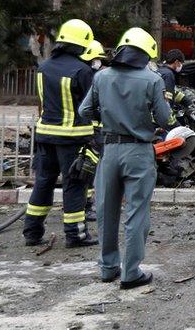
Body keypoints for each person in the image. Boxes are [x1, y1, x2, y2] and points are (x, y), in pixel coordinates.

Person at [79, 27, 171, 289]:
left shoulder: (101, 77)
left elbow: (84, 111)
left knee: (106, 210)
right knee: (136, 211)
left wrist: (104, 124)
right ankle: (131, 273)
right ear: (145, 53)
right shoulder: (153, 80)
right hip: (139, 151)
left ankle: (108, 268)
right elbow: (165, 119)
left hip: (109, 151)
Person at [23, 19, 99, 249]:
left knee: (43, 184)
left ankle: (32, 232)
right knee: (74, 184)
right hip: (72, 138)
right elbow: (92, 106)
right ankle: (75, 235)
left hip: (45, 135)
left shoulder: (44, 67)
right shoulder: (82, 70)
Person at [78, 39, 107, 222]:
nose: (99, 62)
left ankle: (82, 204)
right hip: (89, 130)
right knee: (88, 169)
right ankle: (86, 206)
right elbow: (88, 107)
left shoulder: (83, 73)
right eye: (97, 58)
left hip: (81, 130)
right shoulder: (87, 75)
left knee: (85, 168)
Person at [157, 49, 187, 126]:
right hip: (161, 117)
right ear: (176, 62)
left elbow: (168, 91)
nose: (181, 66)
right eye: (181, 63)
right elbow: (167, 99)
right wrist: (173, 123)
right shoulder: (169, 75)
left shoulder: (160, 71)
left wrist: (185, 100)